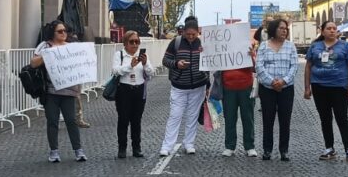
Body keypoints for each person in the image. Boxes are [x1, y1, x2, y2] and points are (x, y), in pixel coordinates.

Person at [30, 21, 86, 162]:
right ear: (53, 33)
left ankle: (78, 150)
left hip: (69, 91)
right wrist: (48, 55)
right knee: (52, 121)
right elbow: (33, 63)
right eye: (60, 31)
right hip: (51, 91)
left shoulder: (72, 47)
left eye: (65, 31)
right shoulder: (45, 46)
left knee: (71, 121)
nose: (63, 34)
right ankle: (54, 151)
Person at [304, 21, 348, 162]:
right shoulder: (315, 46)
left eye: (334, 28)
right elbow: (308, 66)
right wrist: (307, 87)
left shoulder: (344, 46)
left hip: (339, 86)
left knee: (342, 118)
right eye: (329, 28)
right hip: (319, 86)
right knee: (325, 119)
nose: (332, 31)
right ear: (322, 31)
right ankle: (329, 148)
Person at [160, 16, 210, 156]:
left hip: (198, 86)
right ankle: (167, 146)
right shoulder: (175, 43)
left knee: (192, 116)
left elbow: (208, 64)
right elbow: (165, 60)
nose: (191, 37)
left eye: (194, 34)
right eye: (188, 34)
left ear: (198, 32)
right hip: (179, 86)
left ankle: (189, 143)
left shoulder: (203, 44)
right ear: (183, 32)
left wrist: (208, 84)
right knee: (175, 116)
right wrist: (177, 64)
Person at [256, 18, 299, 161]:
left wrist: (283, 81)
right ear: (274, 29)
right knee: (268, 120)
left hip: (286, 88)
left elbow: (294, 67)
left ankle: (284, 150)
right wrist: (272, 81)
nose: (284, 30)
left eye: (286, 28)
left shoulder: (291, 46)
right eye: (281, 28)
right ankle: (267, 149)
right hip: (267, 88)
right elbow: (259, 67)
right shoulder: (263, 46)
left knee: (285, 120)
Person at [212, 41, 258, 158]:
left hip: (246, 88)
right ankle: (229, 146)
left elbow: (256, 68)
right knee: (230, 118)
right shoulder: (223, 51)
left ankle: (250, 146)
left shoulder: (247, 49)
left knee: (248, 118)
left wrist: (252, 55)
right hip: (228, 89)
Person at [111, 30, 153, 158]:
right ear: (125, 43)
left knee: (136, 120)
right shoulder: (119, 55)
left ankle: (137, 147)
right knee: (123, 120)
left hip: (139, 90)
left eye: (137, 42)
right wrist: (130, 66)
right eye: (132, 42)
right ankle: (122, 148)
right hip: (124, 90)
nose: (135, 45)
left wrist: (145, 63)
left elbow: (151, 73)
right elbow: (115, 71)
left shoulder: (143, 56)